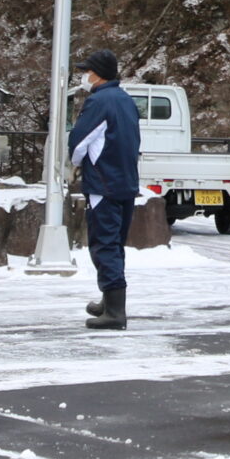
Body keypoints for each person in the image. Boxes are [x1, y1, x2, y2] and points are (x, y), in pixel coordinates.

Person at [67, 49, 141, 331]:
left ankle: (114, 310)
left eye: (87, 70)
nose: (84, 75)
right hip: (126, 180)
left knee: (104, 244)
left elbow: (79, 142)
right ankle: (109, 299)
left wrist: (75, 164)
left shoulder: (98, 101)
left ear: (97, 74)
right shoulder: (125, 99)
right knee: (116, 243)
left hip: (103, 182)